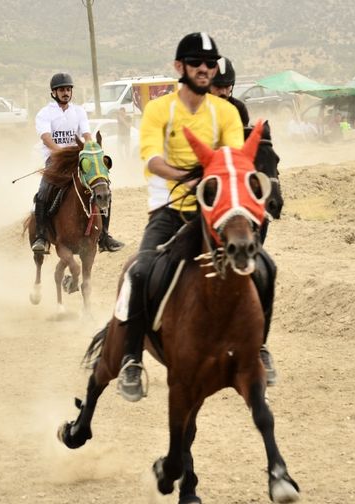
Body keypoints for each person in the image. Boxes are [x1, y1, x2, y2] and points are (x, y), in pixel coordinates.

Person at [116, 32, 278, 402]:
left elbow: (235, 160)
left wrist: (219, 182)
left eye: (211, 64)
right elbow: (152, 159)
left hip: (215, 211)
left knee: (265, 267)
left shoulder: (226, 112)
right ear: (180, 67)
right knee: (139, 270)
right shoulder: (159, 110)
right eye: (197, 63)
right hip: (170, 208)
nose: (205, 69)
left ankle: (261, 348)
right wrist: (186, 175)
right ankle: (130, 359)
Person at [31, 72, 124, 254]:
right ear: (54, 92)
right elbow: (46, 138)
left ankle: (104, 236)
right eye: (61, 90)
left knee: (102, 187)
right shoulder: (45, 113)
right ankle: (41, 236)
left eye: (68, 89)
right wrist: (63, 153)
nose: (65, 93)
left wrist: (90, 150)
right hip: (56, 159)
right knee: (43, 192)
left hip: (79, 158)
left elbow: (87, 135)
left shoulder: (79, 111)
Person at [210, 56, 250, 127]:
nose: (223, 92)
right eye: (218, 87)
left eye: (227, 86)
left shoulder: (239, 109)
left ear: (232, 86)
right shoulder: (196, 108)